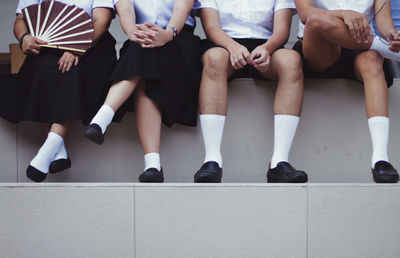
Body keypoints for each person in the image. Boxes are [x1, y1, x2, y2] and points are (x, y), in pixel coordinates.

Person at [84, 0, 201, 183]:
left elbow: (182, 8)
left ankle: (103, 117)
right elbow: (125, 9)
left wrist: (168, 34)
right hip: (140, 39)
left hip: (178, 39)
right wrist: (132, 31)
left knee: (144, 57)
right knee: (142, 51)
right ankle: (152, 165)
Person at [0, 0, 117, 182]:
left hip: (92, 46)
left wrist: (76, 47)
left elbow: (101, 20)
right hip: (48, 47)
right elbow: (22, 19)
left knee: (67, 70)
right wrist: (24, 37)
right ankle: (59, 151)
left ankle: (50, 147)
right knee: (42, 68)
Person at [192, 0, 308, 183]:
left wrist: (267, 49)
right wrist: (233, 47)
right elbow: (211, 27)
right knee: (213, 59)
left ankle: (279, 162)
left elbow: (282, 30)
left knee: (291, 61)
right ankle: (212, 160)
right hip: (225, 45)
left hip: (267, 46)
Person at [294, 0, 400, 183]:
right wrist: (344, 14)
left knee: (373, 61)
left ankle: (381, 158)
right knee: (317, 19)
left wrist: (392, 36)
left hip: (360, 48)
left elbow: (384, 23)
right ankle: (383, 49)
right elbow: (305, 14)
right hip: (321, 47)